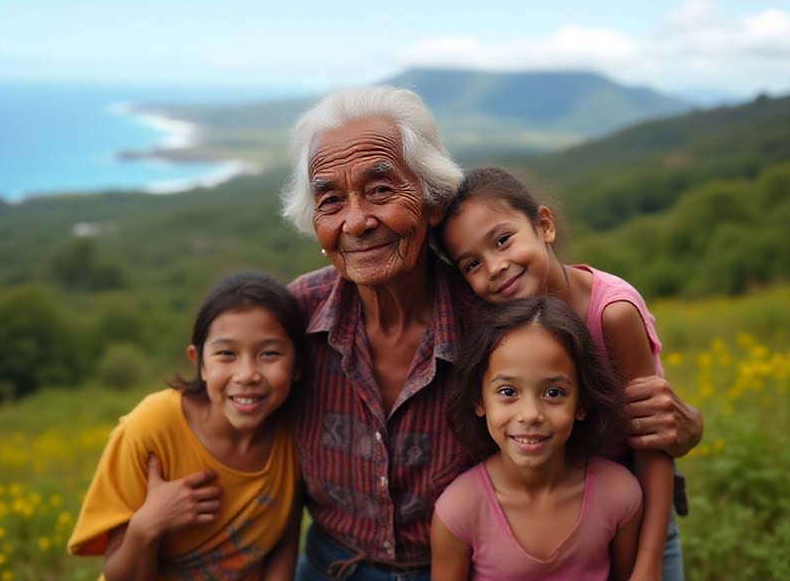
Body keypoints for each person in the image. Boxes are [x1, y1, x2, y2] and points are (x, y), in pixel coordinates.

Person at [281, 86, 702, 581]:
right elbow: (227, 409)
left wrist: (678, 429)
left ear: (432, 200)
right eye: (330, 200)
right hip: (330, 565)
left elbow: (593, 423)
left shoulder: (504, 320)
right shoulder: (294, 318)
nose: (356, 221)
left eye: (380, 190)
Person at [436, 166, 691, 579]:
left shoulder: (612, 313)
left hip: (633, 510)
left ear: (544, 226)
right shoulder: (498, 325)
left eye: (503, 241)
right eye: (471, 264)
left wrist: (648, 561)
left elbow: (653, 439)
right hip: (552, 513)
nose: (495, 267)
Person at [68, 271, 304, 580]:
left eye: (269, 353)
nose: (247, 374)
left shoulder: (296, 432)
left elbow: (283, 546)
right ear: (200, 362)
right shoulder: (152, 427)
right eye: (226, 354)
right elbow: (117, 575)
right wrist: (147, 525)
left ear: (297, 365)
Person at [432, 297, 642, 580]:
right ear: (478, 400)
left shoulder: (619, 495)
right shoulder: (458, 511)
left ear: (582, 403)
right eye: (508, 392)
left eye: (553, 393)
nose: (530, 414)